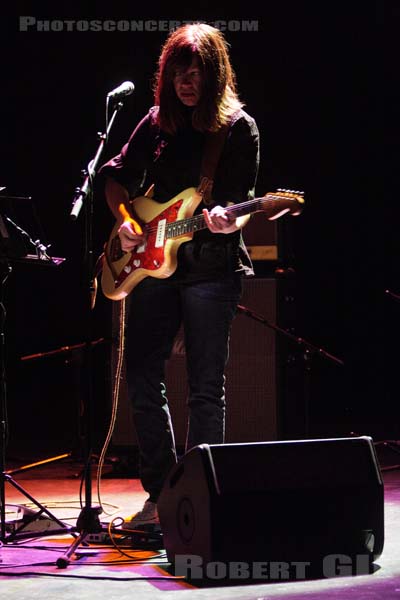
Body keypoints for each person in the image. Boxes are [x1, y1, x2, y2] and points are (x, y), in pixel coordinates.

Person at [100, 23, 259, 528]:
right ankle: (160, 491)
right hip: (153, 266)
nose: (186, 82)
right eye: (177, 72)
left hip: (211, 268)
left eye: (196, 72)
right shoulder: (156, 121)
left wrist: (227, 216)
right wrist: (128, 223)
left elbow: (242, 203)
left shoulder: (238, 127)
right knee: (142, 371)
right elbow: (115, 178)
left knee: (205, 386)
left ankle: (202, 497)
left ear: (214, 75)